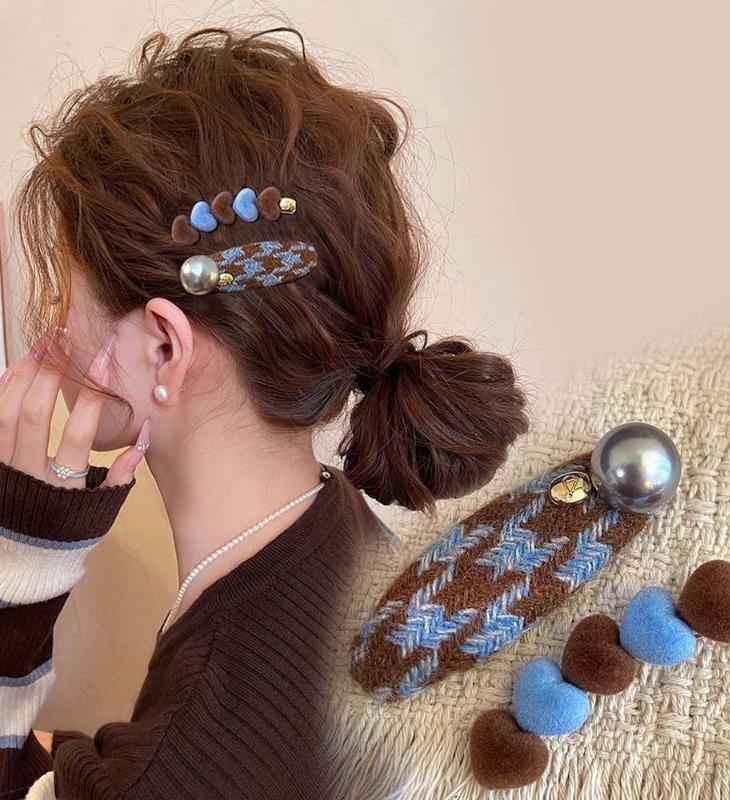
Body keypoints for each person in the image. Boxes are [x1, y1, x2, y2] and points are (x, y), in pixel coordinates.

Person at [0, 24, 530, 800]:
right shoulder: (337, 537)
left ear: (165, 349)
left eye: (63, 293)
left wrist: (22, 560)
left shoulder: (186, 758)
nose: (48, 325)